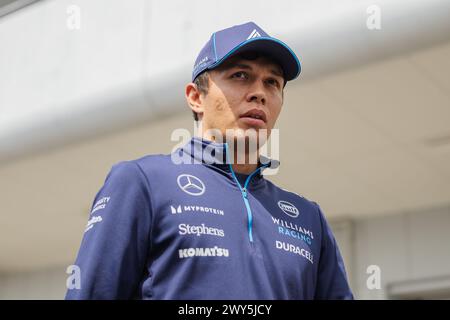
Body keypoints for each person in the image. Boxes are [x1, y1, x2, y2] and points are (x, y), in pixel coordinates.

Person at [65, 21, 354, 300]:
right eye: (240, 75)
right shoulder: (141, 182)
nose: (259, 93)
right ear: (195, 97)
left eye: (272, 82)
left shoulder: (308, 217)